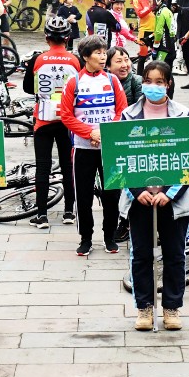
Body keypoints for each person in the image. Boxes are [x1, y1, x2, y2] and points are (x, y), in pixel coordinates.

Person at [122, 60, 189, 332]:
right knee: (141, 254)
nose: (153, 86)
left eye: (159, 82)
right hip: (139, 200)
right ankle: (144, 307)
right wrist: (137, 191)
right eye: (148, 81)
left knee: (174, 254)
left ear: (168, 84)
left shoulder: (183, 115)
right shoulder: (129, 116)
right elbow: (120, 158)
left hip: (173, 201)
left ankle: (172, 307)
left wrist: (169, 193)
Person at [58, 34, 127, 255]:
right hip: (83, 148)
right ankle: (85, 238)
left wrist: (104, 133)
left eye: (104, 52)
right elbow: (66, 115)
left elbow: (121, 111)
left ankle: (109, 236)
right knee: (83, 195)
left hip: (109, 147)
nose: (103, 56)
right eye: (98, 53)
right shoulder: (74, 82)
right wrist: (90, 133)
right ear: (86, 56)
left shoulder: (112, 80)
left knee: (112, 194)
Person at [24, 16, 80, 230]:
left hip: (43, 120)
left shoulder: (37, 59)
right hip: (67, 120)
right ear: (67, 38)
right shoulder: (75, 60)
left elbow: (28, 87)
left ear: (47, 38)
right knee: (68, 166)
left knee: (43, 167)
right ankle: (68, 212)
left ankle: (42, 215)